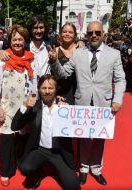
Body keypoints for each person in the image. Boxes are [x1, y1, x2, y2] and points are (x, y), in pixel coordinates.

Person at [49, 21, 126, 185]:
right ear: (86, 35)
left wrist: (117, 100)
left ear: (103, 33)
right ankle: (83, 168)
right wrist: (55, 62)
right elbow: (63, 74)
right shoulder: (78, 54)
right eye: (90, 33)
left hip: (103, 103)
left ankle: (96, 168)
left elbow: (120, 79)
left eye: (97, 32)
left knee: (99, 137)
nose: (94, 36)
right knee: (83, 137)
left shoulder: (114, 54)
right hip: (82, 102)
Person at [11, 74, 80, 190]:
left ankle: (53, 167)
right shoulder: (34, 107)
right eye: (44, 88)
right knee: (25, 168)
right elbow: (14, 126)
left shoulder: (64, 107)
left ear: (56, 89)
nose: (47, 91)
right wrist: (23, 106)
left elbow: (78, 128)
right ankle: (40, 169)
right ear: (39, 89)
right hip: (40, 150)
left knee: (73, 186)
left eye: (50, 88)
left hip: (59, 153)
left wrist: (68, 113)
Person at [0, 24, 37, 187]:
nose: (17, 42)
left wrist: (32, 100)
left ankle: (21, 163)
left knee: (23, 137)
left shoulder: (31, 59)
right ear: (10, 41)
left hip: (24, 106)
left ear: (25, 41)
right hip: (7, 105)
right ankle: (5, 171)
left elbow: (34, 83)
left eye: (20, 39)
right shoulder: (2, 59)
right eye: (14, 39)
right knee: (6, 140)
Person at [55, 23, 78, 104]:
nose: (67, 34)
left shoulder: (81, 49)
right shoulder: (55, 51)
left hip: (77, 92)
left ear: (75, 35)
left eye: (70, 32)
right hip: (60, 93)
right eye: (64, 32)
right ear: (61, 34)